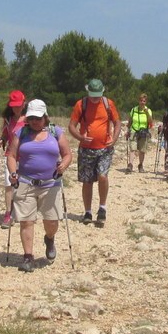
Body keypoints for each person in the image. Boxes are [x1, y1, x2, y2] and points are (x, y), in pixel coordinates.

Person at [5, 99, 73, 272]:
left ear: (45, 117)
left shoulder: (56, 132)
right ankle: (28, 257)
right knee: (26, 221)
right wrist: (13, 173)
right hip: (26, 182)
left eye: (38, 118)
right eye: (31, 118)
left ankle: (49, 238)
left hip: (51, 183)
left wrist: (64, 165)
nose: (34, 121)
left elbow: (67, 154)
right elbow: (11, 155)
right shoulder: (21, 132)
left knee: (51, 221)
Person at [68, 78, 121, 228]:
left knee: (103, 176)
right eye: (93, 95)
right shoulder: (81, 104)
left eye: (97, 95)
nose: (95, 98)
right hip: (86, 149)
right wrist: (80, 137)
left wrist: (115, 138)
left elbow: (117, 122)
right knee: (87, 181)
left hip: (105, 149)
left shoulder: (108, 104)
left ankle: (102, 208)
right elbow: (71, 125)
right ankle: (88, 212)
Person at [0, 90, 26, 228]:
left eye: (19, 105)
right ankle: (8, 213)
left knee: (24, 185)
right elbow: (4, 134)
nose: (16, 108)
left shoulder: (29, 119)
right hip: (11, 156)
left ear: (24, 104)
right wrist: (1, 140)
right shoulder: (8, 119)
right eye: (14, 105)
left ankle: (22, 211)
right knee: (9, 184)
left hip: (26, 156)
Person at [126, 93, 154, 173]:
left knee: (142, 150)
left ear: (146, 102)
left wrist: (147, 113)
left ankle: (140, 165)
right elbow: (130, 121)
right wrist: (127, 130)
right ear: (139, 101)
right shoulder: (134, 110)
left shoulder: (148, 110)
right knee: (133, 148)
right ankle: (130, 165)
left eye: (144, 101)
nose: (142, 102)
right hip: (134, 131)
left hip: (144, 132)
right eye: (141, 100)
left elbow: (151, 122)